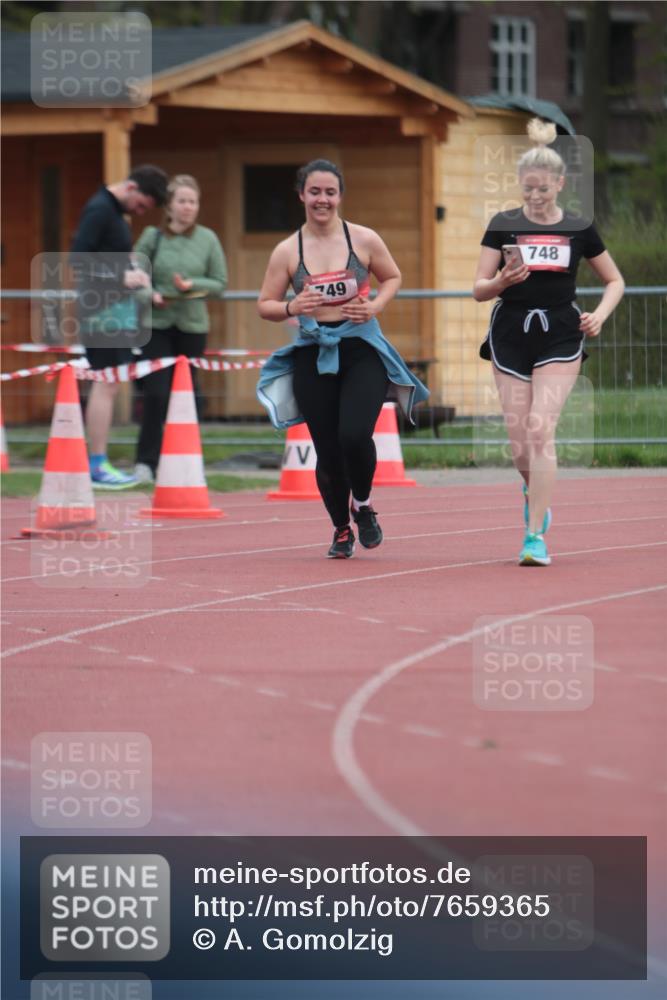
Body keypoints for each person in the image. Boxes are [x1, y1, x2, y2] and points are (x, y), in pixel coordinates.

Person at [257, 159, 428, 559]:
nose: (322, 200)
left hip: (361, 349)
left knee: (354, 435)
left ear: (340, 196)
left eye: (330, 192)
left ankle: (363, 505)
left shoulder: (363, 240)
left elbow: (394, 277)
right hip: (313, 353)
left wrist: (375, 307)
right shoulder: (287, 250)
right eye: (314, 192)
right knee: (328, 449)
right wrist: (292, 306)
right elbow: (264, 304)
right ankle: (339, 529)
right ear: (301, 195)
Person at [473, 118, 624, 566]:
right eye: (528, 189)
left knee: (541, 429)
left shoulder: (579, 227)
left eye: (543, 189)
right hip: (510, 334)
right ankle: (532, 490)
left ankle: (534, 537)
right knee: (521, 443)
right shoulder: (503, 225)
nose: (535, 197)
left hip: (560, 331)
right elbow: (477, 288)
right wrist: (501, 280)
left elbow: (615, 280)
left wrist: (599, 314)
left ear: (560, 184)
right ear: (520, 186)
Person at [71, 164, 168, 488]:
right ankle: (96, 463)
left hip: (114, 310)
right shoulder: (100, 209)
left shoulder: (110, 211)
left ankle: (97, 461)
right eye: (141, 206)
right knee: (106, 382)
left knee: (109, 383)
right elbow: (78, 259)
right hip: (100, 312)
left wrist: (135, 275)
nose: (140, 212)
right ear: (131, 187)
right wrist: (121, 276)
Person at [132, 174, 228, 482]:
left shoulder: (208, 239)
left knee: (187, 394)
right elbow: (133, 273)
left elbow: (219, 284)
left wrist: (191, 285)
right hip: (157, 324)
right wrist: (150, 294)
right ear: (169, 206)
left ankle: (186, 461)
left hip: (192, 326)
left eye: (193, 202)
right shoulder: (152, 236)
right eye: (182, 201)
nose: (188, 208)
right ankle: (146, 462)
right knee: (156, 392)